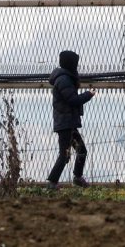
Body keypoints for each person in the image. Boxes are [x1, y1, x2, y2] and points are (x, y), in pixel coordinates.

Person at [47, 50, 96, 189]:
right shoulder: (63, 79)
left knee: (81, 151)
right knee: (65, 154)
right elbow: (73, 100)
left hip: (68, 123)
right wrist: (88, 94)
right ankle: (52, 182)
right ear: (71, 64)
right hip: (65, 123)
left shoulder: (65, 78)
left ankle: (77, 177)